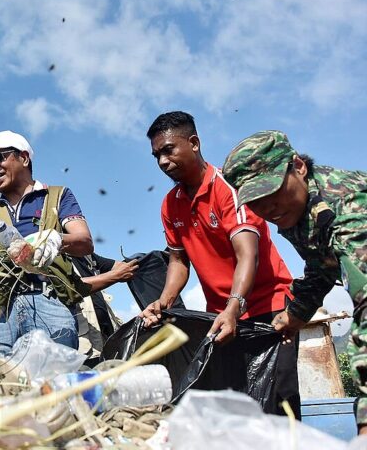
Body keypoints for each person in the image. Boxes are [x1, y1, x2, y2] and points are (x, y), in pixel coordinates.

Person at [140, 111, 299, 417]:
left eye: (168, 150)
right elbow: (178, 260)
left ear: (194, 143)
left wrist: (233, 307)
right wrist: (164, 302)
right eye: (156, 155)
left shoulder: (230, 187)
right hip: (221, 316)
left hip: (269, 308)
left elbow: (247, 254)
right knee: (234, 405)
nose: (162, 161)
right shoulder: (170, 204)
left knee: (278, 403)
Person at [222, 130, 367, 432]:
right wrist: (296, 313)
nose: (267, 209)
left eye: (271, 192)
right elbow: (322, 266)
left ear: (298, 166)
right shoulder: (299, 210)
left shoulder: (347, 208)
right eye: (256, 201)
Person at [0, 130, 94, 373]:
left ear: (23, 158)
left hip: (48, 300)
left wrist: (55, 238)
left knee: (51, 382)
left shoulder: (58, 196)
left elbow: (84, 241)